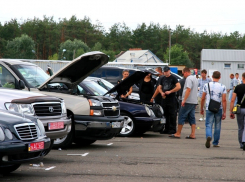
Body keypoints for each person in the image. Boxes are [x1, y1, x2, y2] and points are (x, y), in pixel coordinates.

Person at [169, 68, 198, 139]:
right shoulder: (195, 79)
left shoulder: (188, 79)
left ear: (185, 72)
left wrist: (184, 100)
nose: (183, 75)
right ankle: (193, 134)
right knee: (192, 117)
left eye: (183, 73)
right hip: (194, 101)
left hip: (188, 101)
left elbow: (188, 89)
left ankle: (178, 133)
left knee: (181, 116)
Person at [201, 71, 226, 148]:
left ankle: (209, 136)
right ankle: (215, 142)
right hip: (219, 108)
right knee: (217, 125)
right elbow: (224, 100)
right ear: (220, 77)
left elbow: (203, 98)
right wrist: (224, 112)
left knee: (208, 124)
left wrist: (202, 108)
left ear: (212, 76)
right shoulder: (223, 86)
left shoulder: (206, 85)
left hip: (209, 107)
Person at [158, 66, 181, 134]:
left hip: (171, 98)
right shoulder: (162, 78)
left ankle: (173, 129)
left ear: (169, 71)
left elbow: (178, 87)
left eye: (167, 71)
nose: (165, 73)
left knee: (172, 114)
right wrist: (161, 92)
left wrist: (170, 91)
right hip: (164, 98)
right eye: (164, 72)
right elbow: (159, 87)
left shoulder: (173, 78)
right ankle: (166, 128)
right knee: (165, 114)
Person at [230, 72, 245, 150]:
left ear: (242, 78)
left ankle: (241, 143)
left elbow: (232, 100)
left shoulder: (238, 87)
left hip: (240, 109)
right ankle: (244, 141)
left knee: (240, 127)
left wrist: (231, 111)